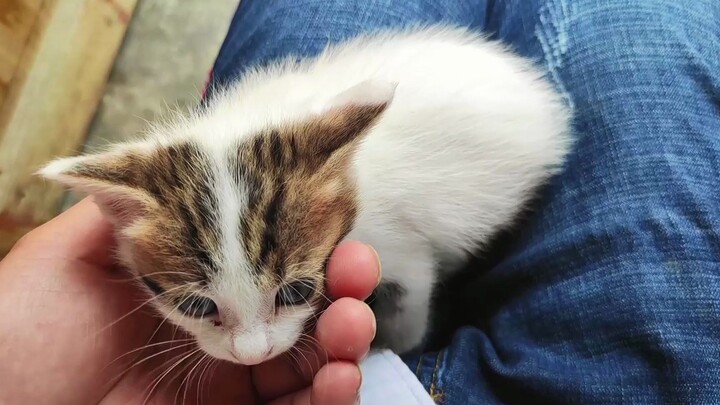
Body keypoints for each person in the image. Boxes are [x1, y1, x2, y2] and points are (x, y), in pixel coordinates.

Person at [3, 0, 720, 404]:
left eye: (292, 292)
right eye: (199, 305)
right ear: (121, 216)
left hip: (504, 164)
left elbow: (407, 273)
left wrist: (398, 341)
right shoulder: (287, 203)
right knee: (638, 25)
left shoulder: (330, 191)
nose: (253, 345)